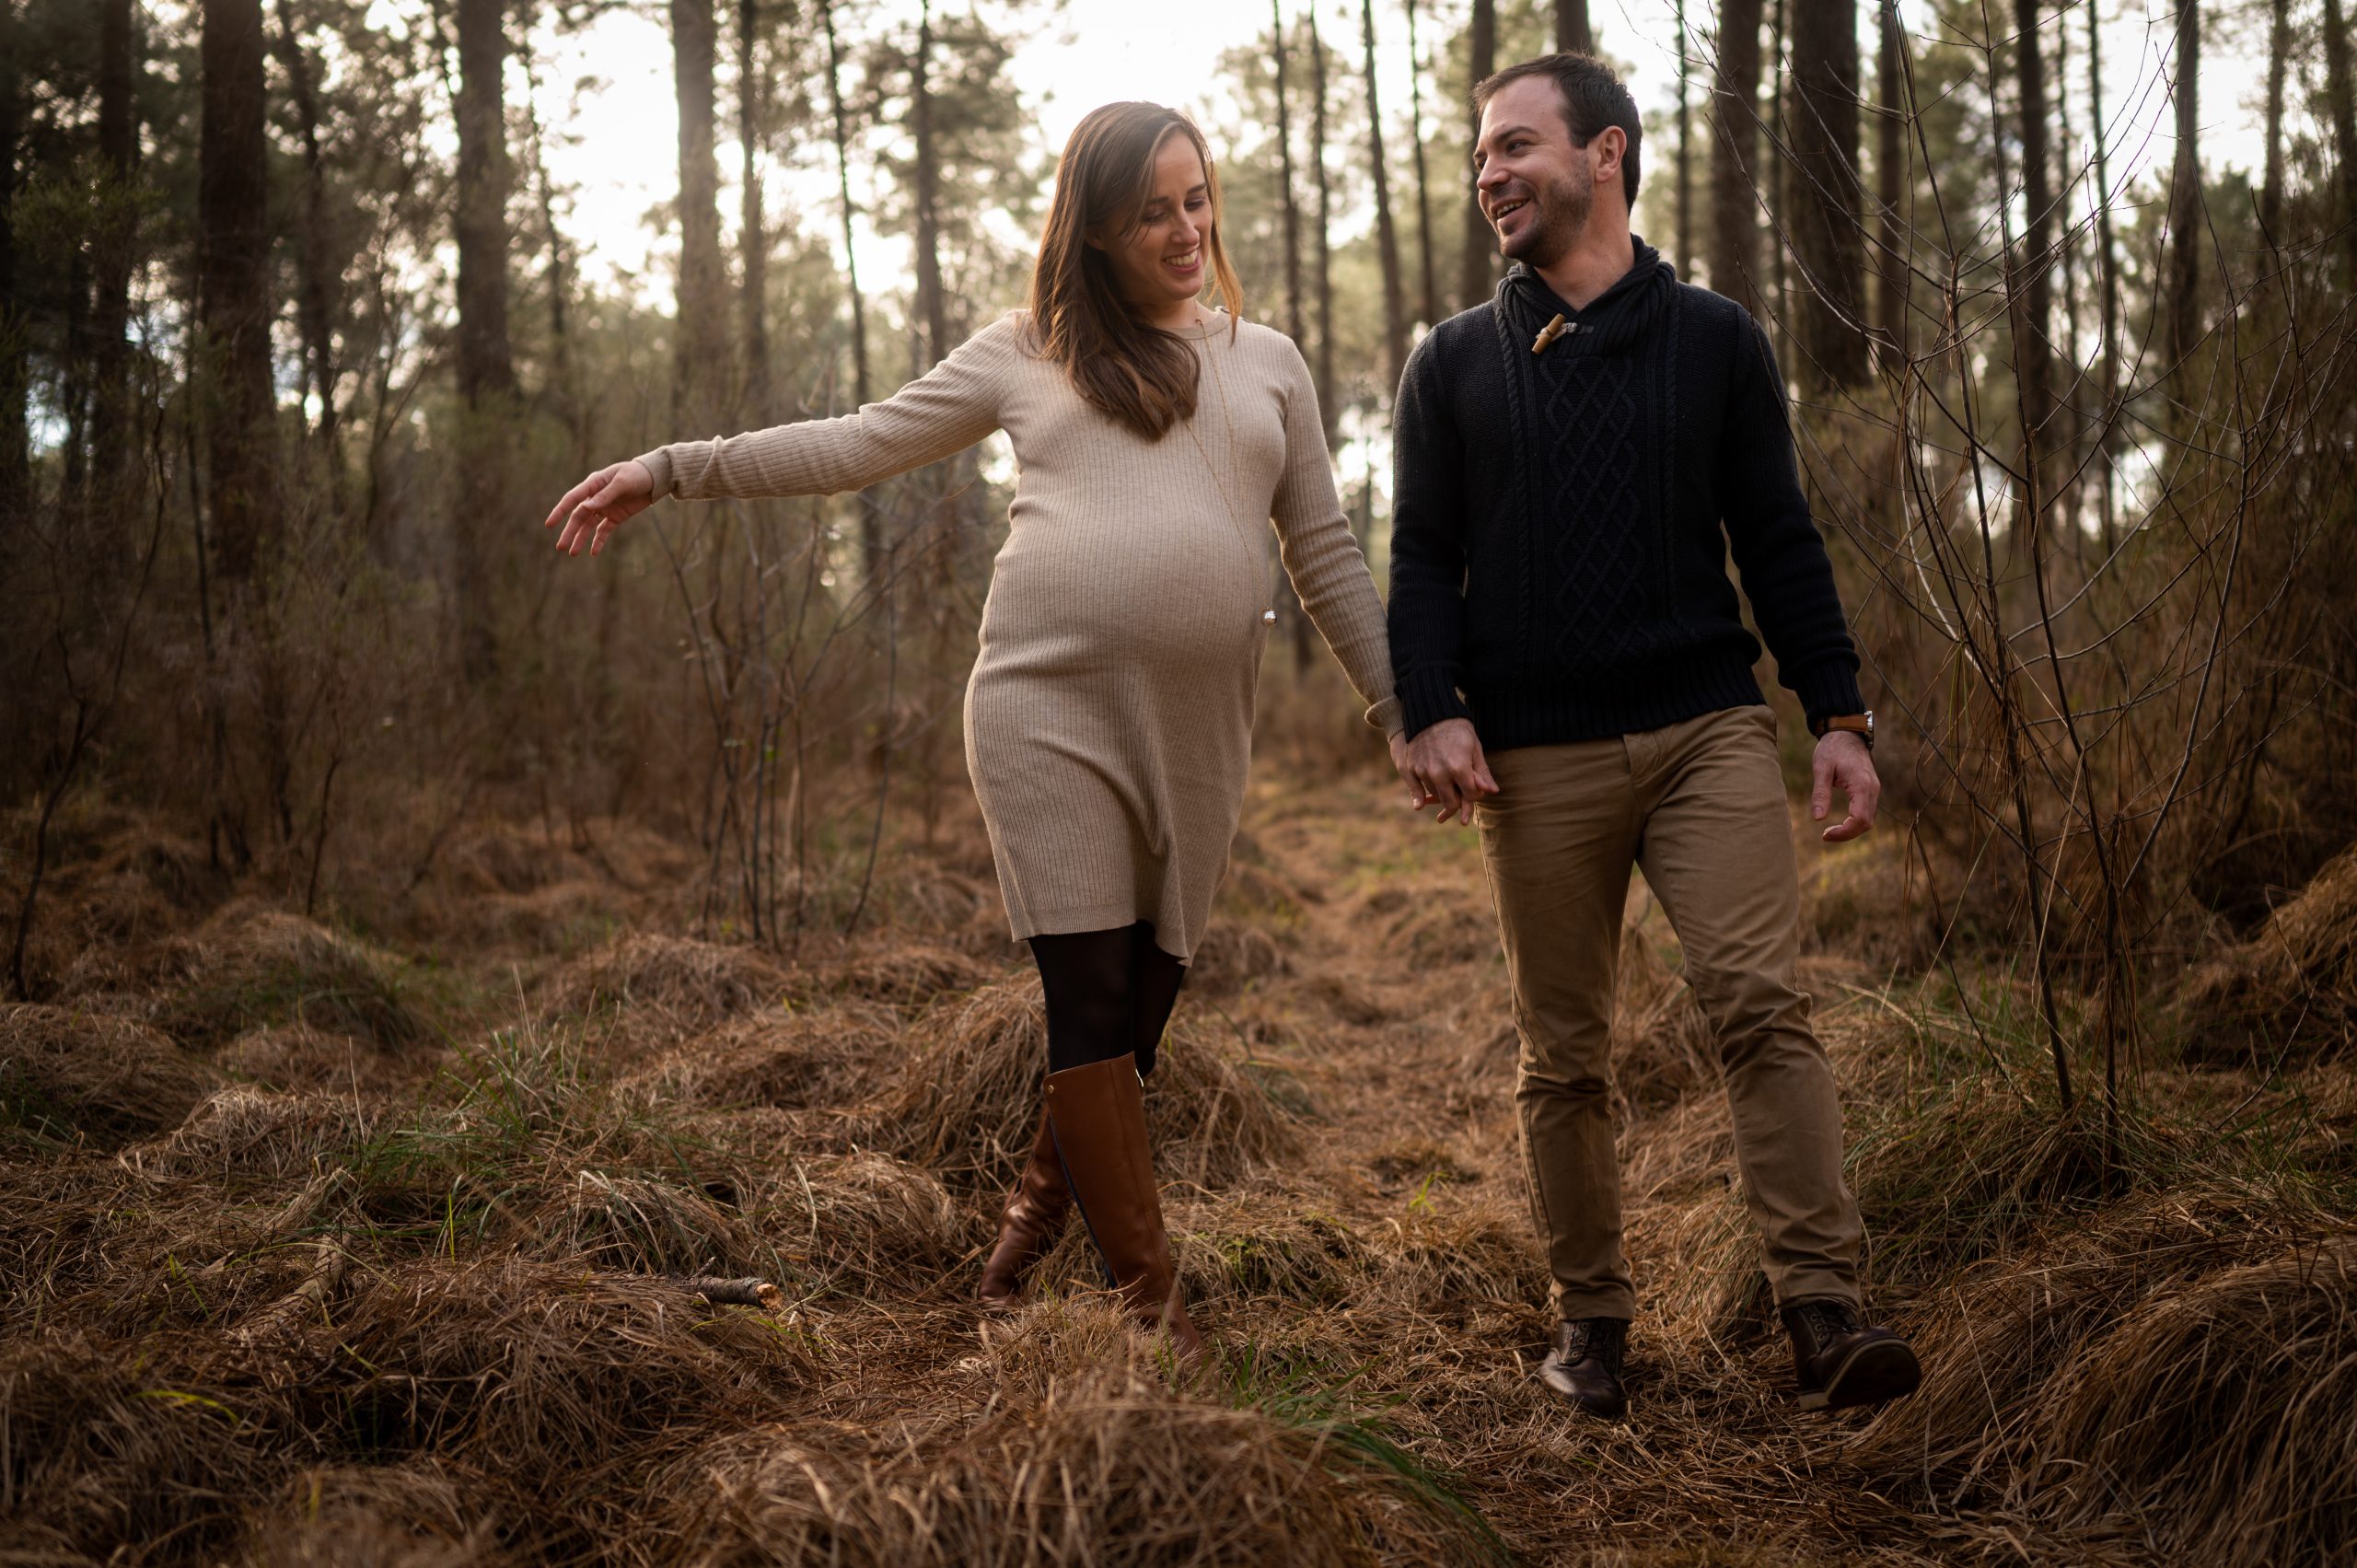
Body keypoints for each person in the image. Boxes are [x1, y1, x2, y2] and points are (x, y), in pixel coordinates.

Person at [542, 102, 1399, 1362]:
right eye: (1152, 209)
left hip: (1198, 728)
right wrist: (675, 468)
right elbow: (855, 445)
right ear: (1099, 228)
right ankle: (1152, 1313)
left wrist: (1399, 707)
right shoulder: (1026, 351)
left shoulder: (1266, 361)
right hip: (1040, 707)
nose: (1184, 228)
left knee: (1142, 1005)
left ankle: (1022, 1233)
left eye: (1196, 199)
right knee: (1088, 993)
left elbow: (1322, 551)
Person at [1384, 52, 1922, 1419]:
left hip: (1706, 731)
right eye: (1481, 157)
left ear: (1604, 153)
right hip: (1538, 757)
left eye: (1516, 147)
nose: (1491, 174)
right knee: (1564, 1053)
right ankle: (1594, 1329)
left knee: (1759, 1004)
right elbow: (1419, 558)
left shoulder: (1719, 341)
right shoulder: (1451, 364)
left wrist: (1838, 714)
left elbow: (1781, 542)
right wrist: (1433, 711)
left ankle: (1823, 1313)